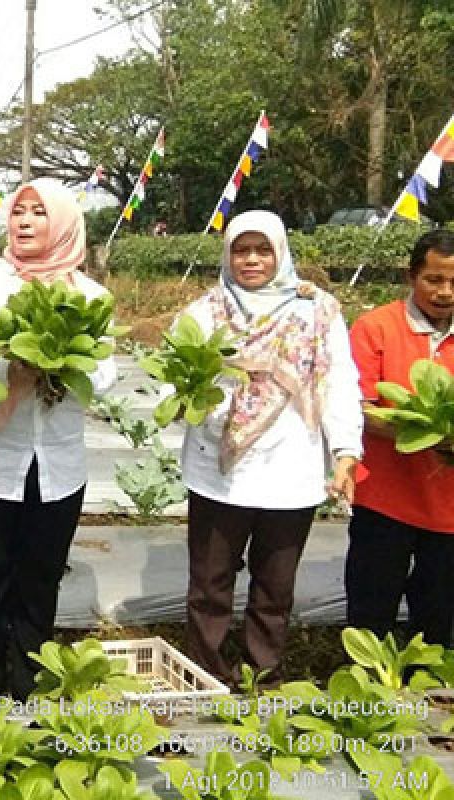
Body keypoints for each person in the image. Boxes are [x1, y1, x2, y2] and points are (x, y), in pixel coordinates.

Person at [0, 179, 116, 699]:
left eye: (39, 213)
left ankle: (26, 686)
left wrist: (56, 367)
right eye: (18, 212)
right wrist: (12, 363)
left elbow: (104, 375)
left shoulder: (90, 295)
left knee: (39, 581)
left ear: (63, 223)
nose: (24, 222)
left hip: (58, 466)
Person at [174, 210, 361, 684]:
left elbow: (340, 382)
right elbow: (173, 379)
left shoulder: (316, 311)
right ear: (227, 254)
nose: (251, 259)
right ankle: (207, 676)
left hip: (289, 471)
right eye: (241, 249)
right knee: (210, 585)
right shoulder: (203, 313)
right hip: (219, 469)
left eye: (262, 249)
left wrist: (345, 452)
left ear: (280, 253)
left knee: (274, 588)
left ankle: (264, 677)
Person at [346, 230, 454, 646]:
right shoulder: (377, 327)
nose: (445, 292)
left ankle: (429, 694)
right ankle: (365, 693)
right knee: (371, 607)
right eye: (434, 280)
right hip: (384, 498)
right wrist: (431, 434)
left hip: (447, 508)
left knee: (439, 612)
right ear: (412, 277)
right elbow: (361, 405)